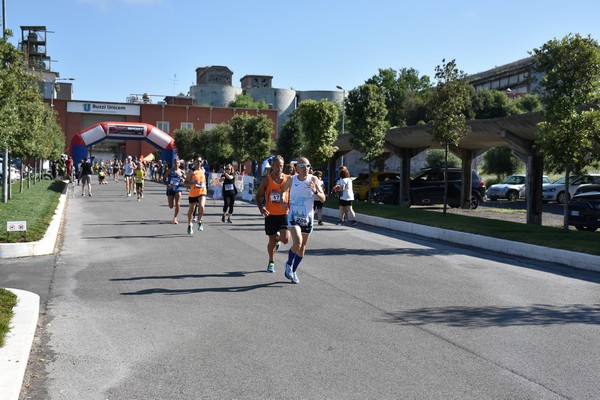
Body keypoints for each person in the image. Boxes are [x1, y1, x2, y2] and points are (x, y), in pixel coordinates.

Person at [281, 157, 326, 284]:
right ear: (297, 168)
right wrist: (283, 200)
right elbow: (283, 191)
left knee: (302, 248)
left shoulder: (314, 179)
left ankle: (293, 271)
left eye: (308, 166)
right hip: (294, 216)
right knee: (298, 243)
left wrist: (315, 191)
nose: (306, 169)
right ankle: (288, 264)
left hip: (308, 218)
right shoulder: (291, 179)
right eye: (302, 166)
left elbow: (323, 199)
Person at [256, 155, 290, 273]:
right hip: (270, 215)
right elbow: (258, 196)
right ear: (272, 166)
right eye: (276, 166)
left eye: (281, 166)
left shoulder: (288, 179)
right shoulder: (266, 180)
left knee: (285, 239)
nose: (279, 168)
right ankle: (271, 261)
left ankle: (279, 240)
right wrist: (261, 209)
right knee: (271, 241)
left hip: (284, 213)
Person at [184, 158, 207, 235]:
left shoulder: (203, 170)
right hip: (193, 193)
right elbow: (185, 183)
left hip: (202, 192)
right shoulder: (191, 171)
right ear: (194, 162)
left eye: (200, 161)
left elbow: (204, 180)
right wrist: (192, 183)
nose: (199, 162)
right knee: (191, 210)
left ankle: (199, 221)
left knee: (202, 206)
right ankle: (190, 225)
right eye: (197, 161)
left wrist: (205, 186)